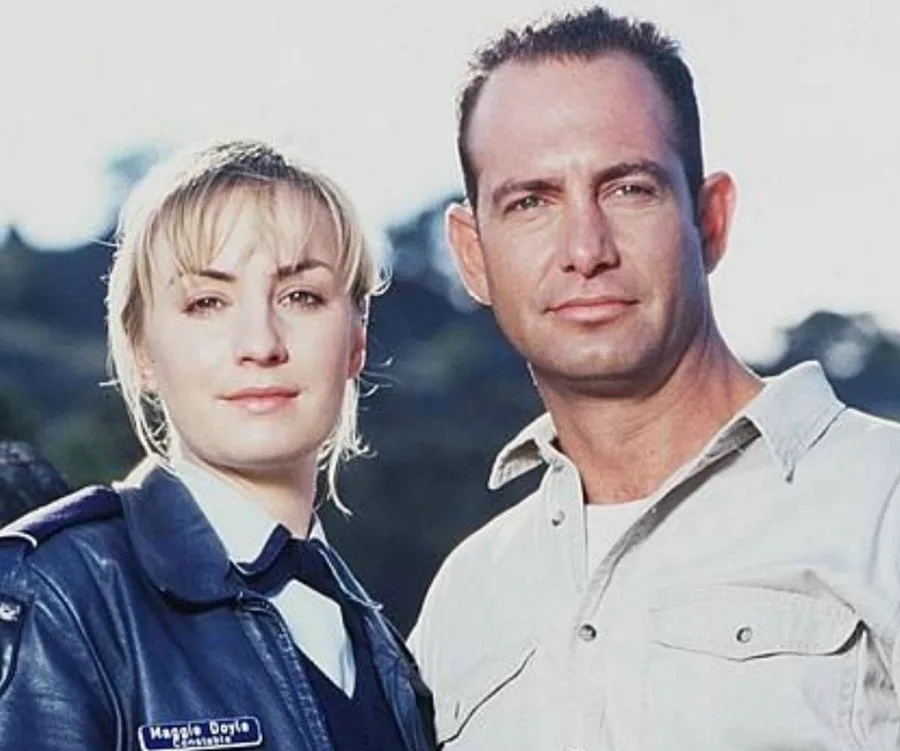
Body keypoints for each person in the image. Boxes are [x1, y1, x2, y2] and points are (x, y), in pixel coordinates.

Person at [408, 7, 900, 750]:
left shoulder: (882, 499)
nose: (585, 248)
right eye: (531, 201)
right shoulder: (463, 602)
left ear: (710, 219)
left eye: (628, 188)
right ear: (473, 255)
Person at [0, 140, 434, 751]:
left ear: (356, 338)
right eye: (207, 302)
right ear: (142, 348)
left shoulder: (382, 642)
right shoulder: (56, 596)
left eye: (300, 297)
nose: (260, 343)